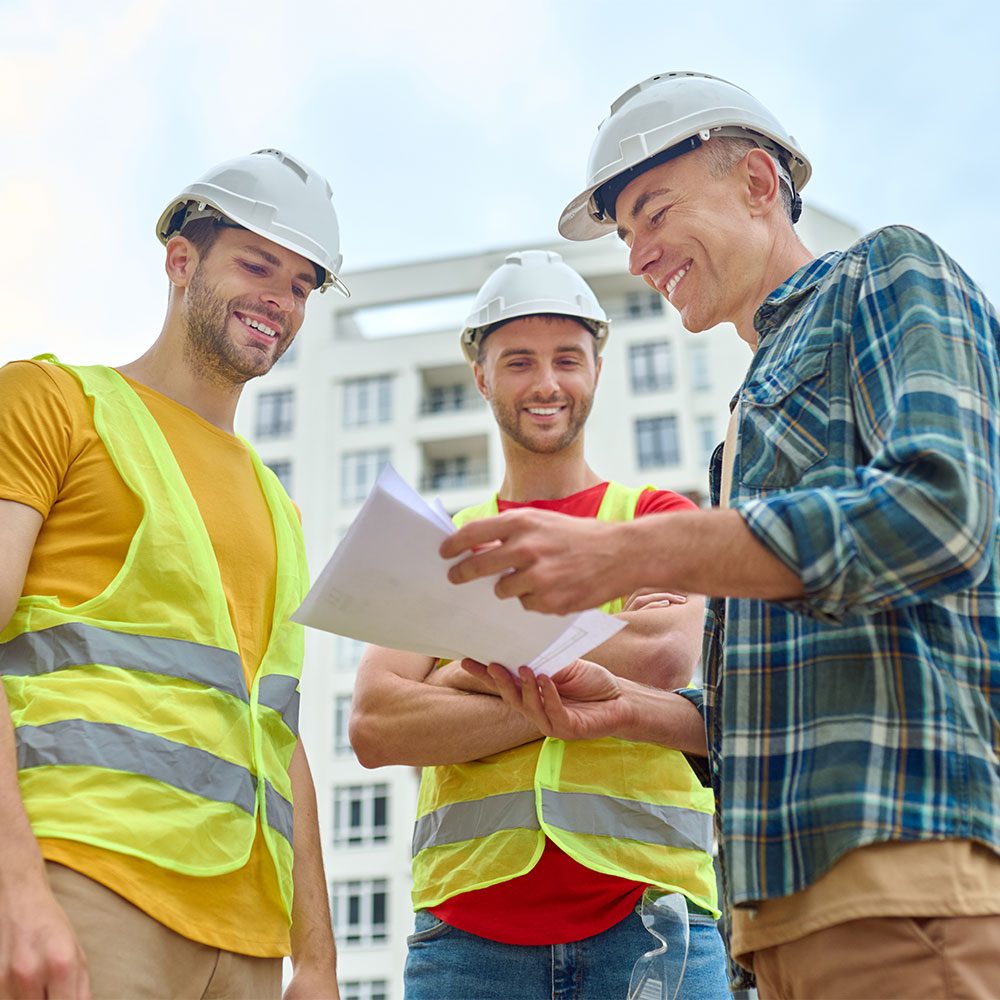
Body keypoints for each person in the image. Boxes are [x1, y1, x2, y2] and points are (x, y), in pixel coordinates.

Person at [441, 73, 1000, 999]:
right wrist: (630, 711)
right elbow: (789, 697)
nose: (641, 254)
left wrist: (626, 555)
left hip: (902, 872)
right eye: (627, 234)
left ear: (756, 183)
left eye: (655, 213)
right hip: (775, 917)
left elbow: (940, 515)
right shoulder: (742, 425)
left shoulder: (887, 273)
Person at [0, 149, 349, 1000]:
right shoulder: (52, 403)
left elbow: (278, 732)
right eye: (257, 264)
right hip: (87, 880)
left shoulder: (280, 508)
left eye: (301, 285)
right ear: (181, 261)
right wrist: (17, 892)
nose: (279, 298)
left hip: (247, 937)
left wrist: (320, 962)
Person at [349, 250, 730, 999]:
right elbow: (376, 724)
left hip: (655, 921)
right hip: (467, 938)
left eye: (567, 358)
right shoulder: (439, 540)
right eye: (518, 361)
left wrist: (464, 668)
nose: (547, 383)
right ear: (482, 377)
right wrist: (589, 670)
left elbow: (659, 661)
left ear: (596, 368)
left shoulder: (656, 519)